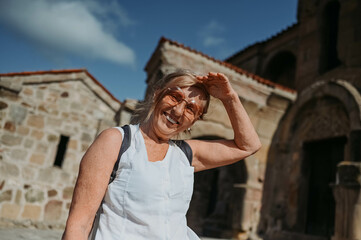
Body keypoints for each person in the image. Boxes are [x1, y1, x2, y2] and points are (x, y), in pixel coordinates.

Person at [62, 70, 261, 240]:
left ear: (194, 122)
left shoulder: (186, 155)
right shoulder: (116, 141)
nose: (178, 110)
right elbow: (79, 224)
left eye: (191, 109)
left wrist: (229, 98)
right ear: (157, 94)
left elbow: (249, 146)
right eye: (174, 97)